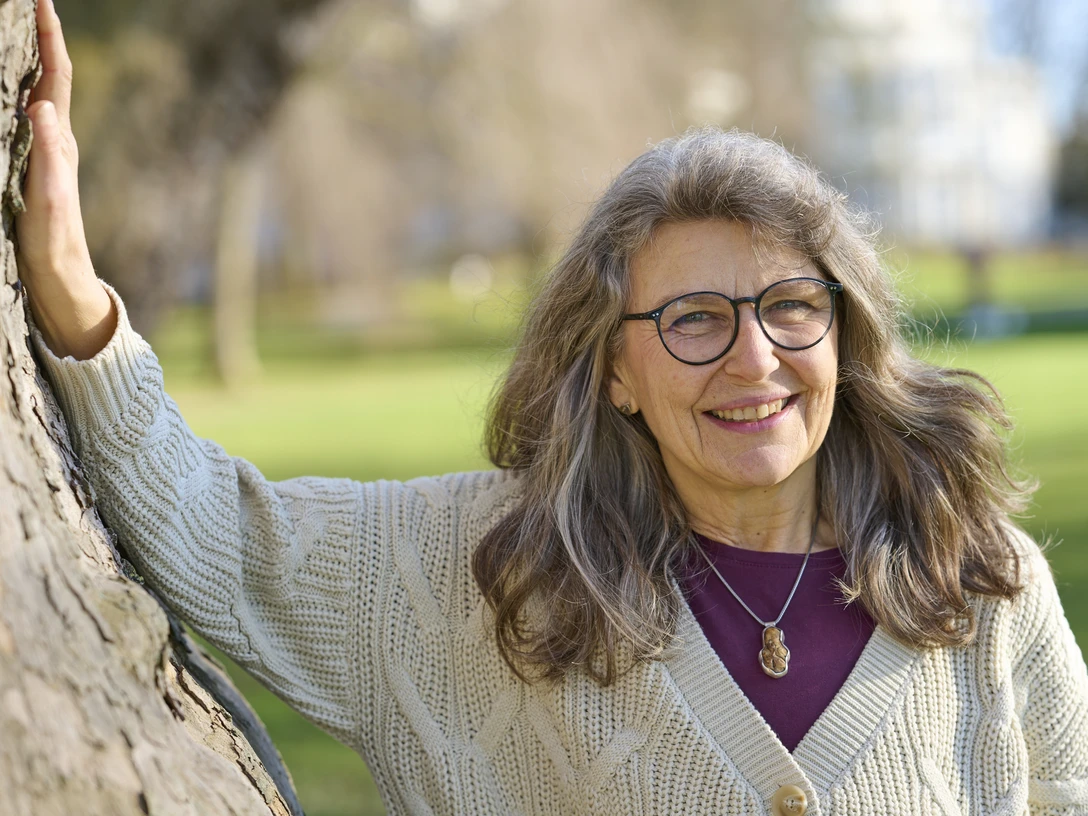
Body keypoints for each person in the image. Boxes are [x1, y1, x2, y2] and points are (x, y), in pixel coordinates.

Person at [17, 2, 1088, 814]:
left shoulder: (978, 583)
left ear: (843, 333)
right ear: (614, 370)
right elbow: (214, 531)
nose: (755, 359)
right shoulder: (479, 573)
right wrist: (70, 292)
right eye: (694, 320)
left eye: (791, 307)